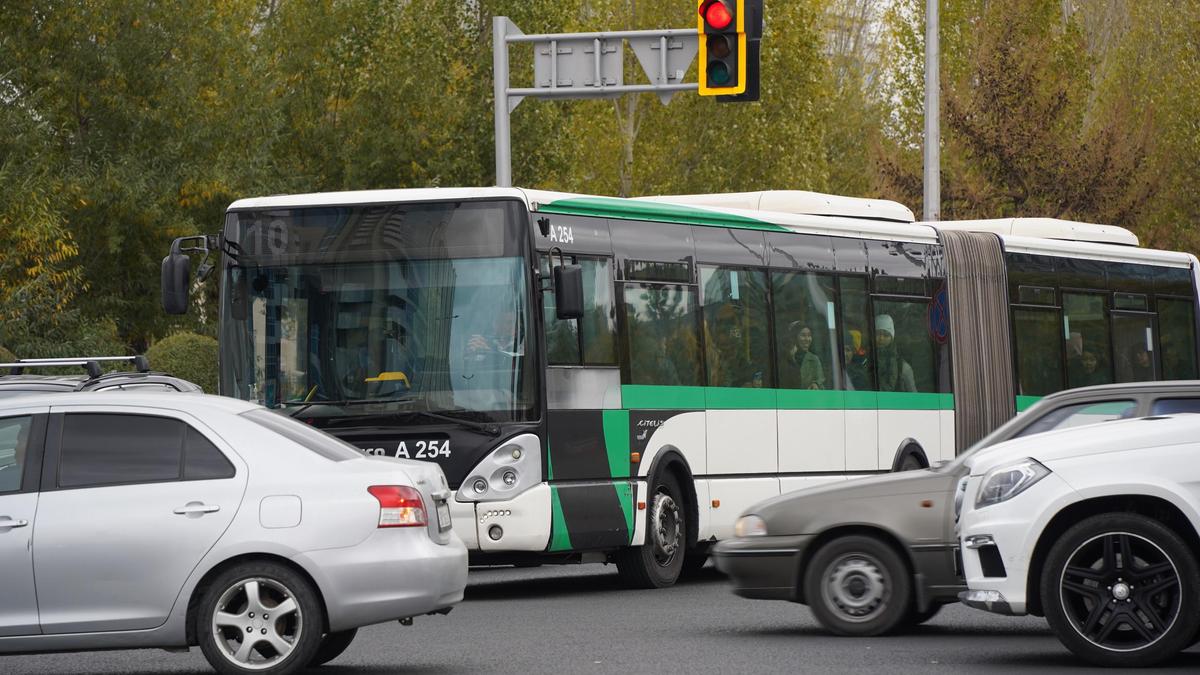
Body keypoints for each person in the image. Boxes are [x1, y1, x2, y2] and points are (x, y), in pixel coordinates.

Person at [874, 314, 916, 392]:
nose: (881, 338)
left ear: (892, 338)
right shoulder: (864, 361)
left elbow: (914, 398)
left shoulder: (903, 367)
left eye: (886, 335)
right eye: (878, 333)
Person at [788, 321, 824, 390]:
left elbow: (820, 382)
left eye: (809, 335)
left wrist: (816, 384)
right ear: (795, 337)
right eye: (803, 335)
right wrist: (791, 358)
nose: (807, 339)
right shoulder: (786, 358)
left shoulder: (814, 360)